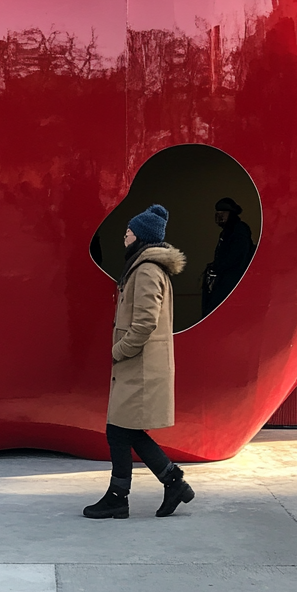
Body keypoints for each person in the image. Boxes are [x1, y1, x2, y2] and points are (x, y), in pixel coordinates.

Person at [83, 204, 195, 520]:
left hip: (139, 366)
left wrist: (120, 349)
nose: (125, 237)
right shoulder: (145, 266)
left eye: (129, 232)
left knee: (119, 431)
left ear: (142, 237)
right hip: (139, 366)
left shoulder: (146, 270)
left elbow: (145, 321)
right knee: (124, 430)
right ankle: (172, 482)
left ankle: (119, 497)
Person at [201, 197, 255, 317]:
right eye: (218, 213)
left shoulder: (239, 230)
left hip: (233, 281)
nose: (219, 216)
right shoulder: (227, 232)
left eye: (223, 213)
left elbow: (237, 255)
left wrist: (219, 267)